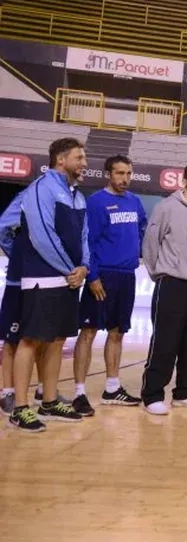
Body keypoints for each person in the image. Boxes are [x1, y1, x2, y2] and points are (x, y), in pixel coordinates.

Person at [8, 138, 89, 431]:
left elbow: (84, 238)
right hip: (43, 278)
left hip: (69, 279)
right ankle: (19, 408)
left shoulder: (77, 196)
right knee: (30, 339)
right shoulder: (41, 188)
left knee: (57, 340)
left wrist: (84, 268)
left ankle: (50, 400)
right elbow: (42, 235)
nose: (84, 163)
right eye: (79, 158)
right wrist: (71, 268)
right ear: (61, 160)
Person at [72, 155, 147, 416]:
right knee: (89, 331)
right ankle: (79, 393)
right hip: (102, 275)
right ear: (108, 174)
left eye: (128, 173)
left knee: (117, 332)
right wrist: (92, 276)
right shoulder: (96, 202)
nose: (124, 179)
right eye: (119, 173)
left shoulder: (135, 202)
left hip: (126, 276)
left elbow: (141, 231)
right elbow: (87, 242)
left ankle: (112, 388)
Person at [140, 162, 187, 416]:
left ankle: (185, 392)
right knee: (164, 340)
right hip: (171, 283)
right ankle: (152, 394)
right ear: (185, 180)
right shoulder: (166, 207)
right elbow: (151, 243)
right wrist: (158, 273)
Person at [0, 189, 26, 415]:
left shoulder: (70, 197)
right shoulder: (28, 196)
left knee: (43, 338)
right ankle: (8, 392)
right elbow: (2, 228)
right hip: (19, 281)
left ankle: (44, 392)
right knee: (11, 339)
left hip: (47, 280)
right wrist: (17, 255)